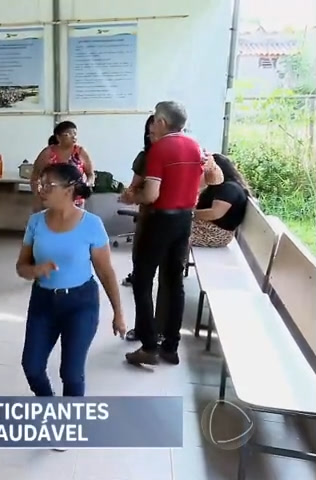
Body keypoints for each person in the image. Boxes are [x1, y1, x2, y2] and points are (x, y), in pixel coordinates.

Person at [16, 163, 125, 399]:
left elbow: (106, 272)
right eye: (40, 184)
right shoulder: (36, 222)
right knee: (32, 367)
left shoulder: (92, 224)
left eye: (48, 185)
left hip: (80, 303)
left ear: (68, 190)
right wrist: (35, 270)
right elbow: (21, 267)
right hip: (43, 302)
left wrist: (118, 313)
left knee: (72, 373)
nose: (41, 189)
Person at [125, 101, 203, 367]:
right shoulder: (195, 145)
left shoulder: (160, 149)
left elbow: (151, 194)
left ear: (161, 122)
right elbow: (201, 183)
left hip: (161, 221)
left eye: (156, 120)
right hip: (185, 219)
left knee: (143, 280)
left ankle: (148, 346)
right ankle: (171, 346)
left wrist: (135, 196)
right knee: (174, 283)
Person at [121, 115, 156, 287]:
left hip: (174, 215)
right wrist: (129, 195)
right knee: (142, 254)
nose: (154, 136)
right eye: (150, 133)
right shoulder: (146, 156)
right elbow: (134, 185)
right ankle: (138, 276)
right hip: (150, 212)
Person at [31, 121, 95, 209]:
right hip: (52, 201)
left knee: (75, 222)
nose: (73, 137)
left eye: (75, 134)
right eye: (68, 134)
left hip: (76, 202)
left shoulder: (80, 152)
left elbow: (90, 174)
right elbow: (35, 175)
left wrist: (87, 184)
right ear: (58, 137)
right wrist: (38, 195)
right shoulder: (48, 153)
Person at [191, 153, 249, 247]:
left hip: (216, 233)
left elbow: (215, 213)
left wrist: (190, 214)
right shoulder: (220, 186)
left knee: (170, 233)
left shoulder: (230, 188)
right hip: (207, 227)